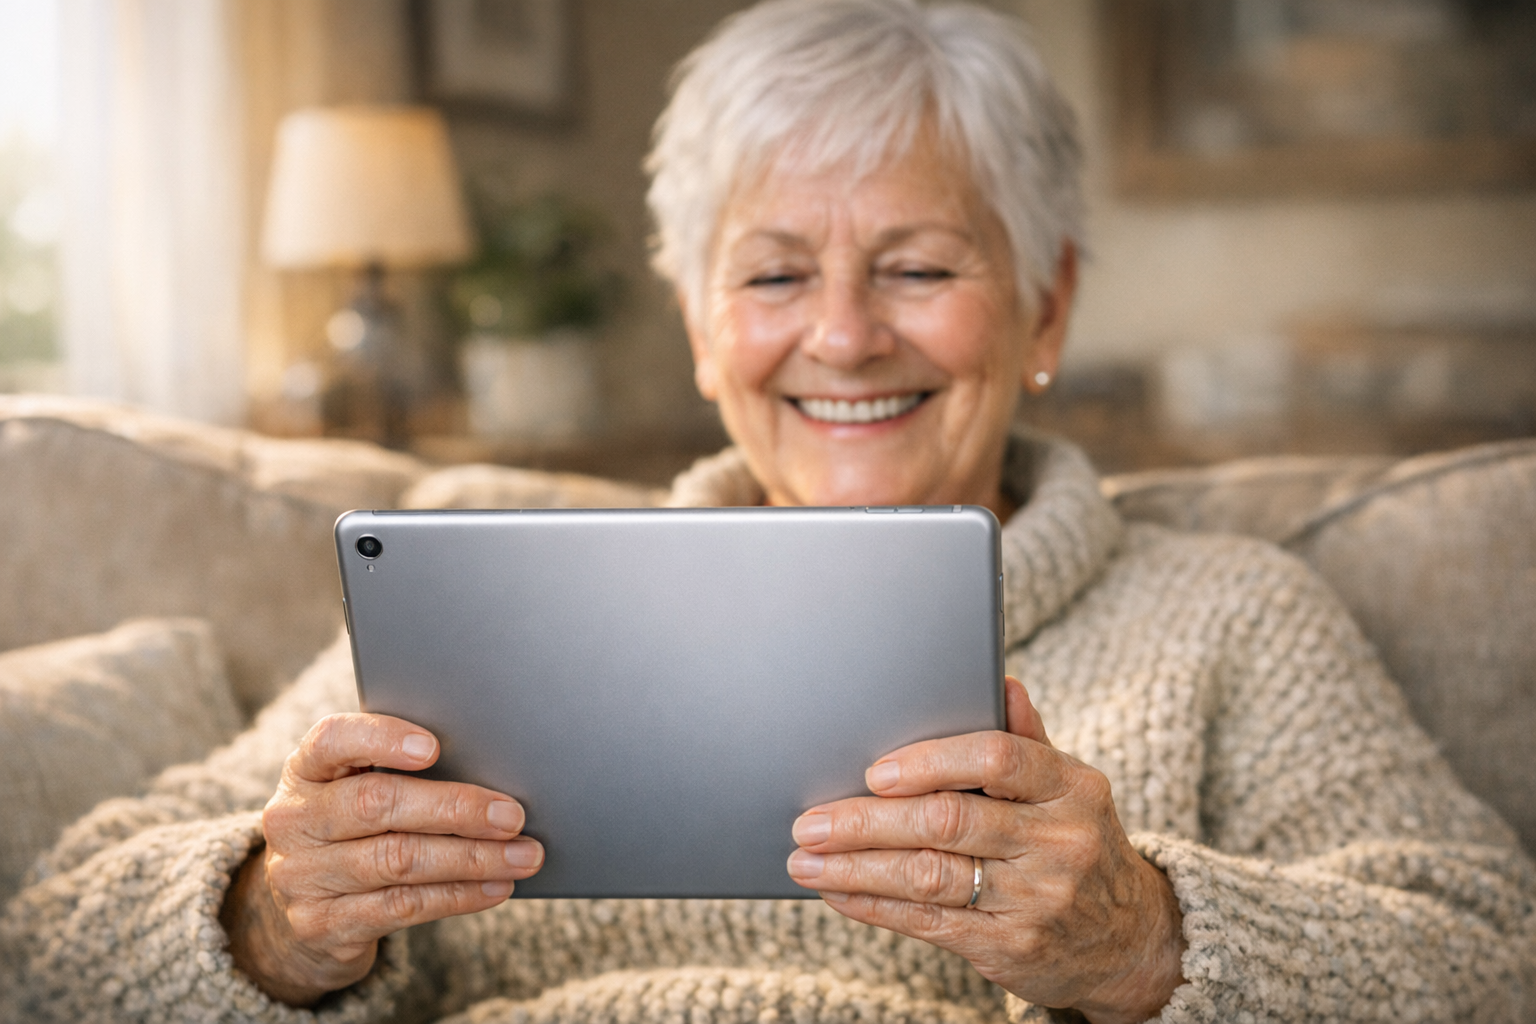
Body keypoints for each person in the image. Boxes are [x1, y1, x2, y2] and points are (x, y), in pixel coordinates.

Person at [4, 1, 1533, 1021]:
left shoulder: (1231, 613)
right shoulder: (493, 602)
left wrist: (1146, 938)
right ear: (696, 318)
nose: (847, 336)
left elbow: (1488, 957)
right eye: (776, 273)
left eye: (921, 267)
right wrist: (271, 920)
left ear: (1047, 303)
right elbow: (51, 947)